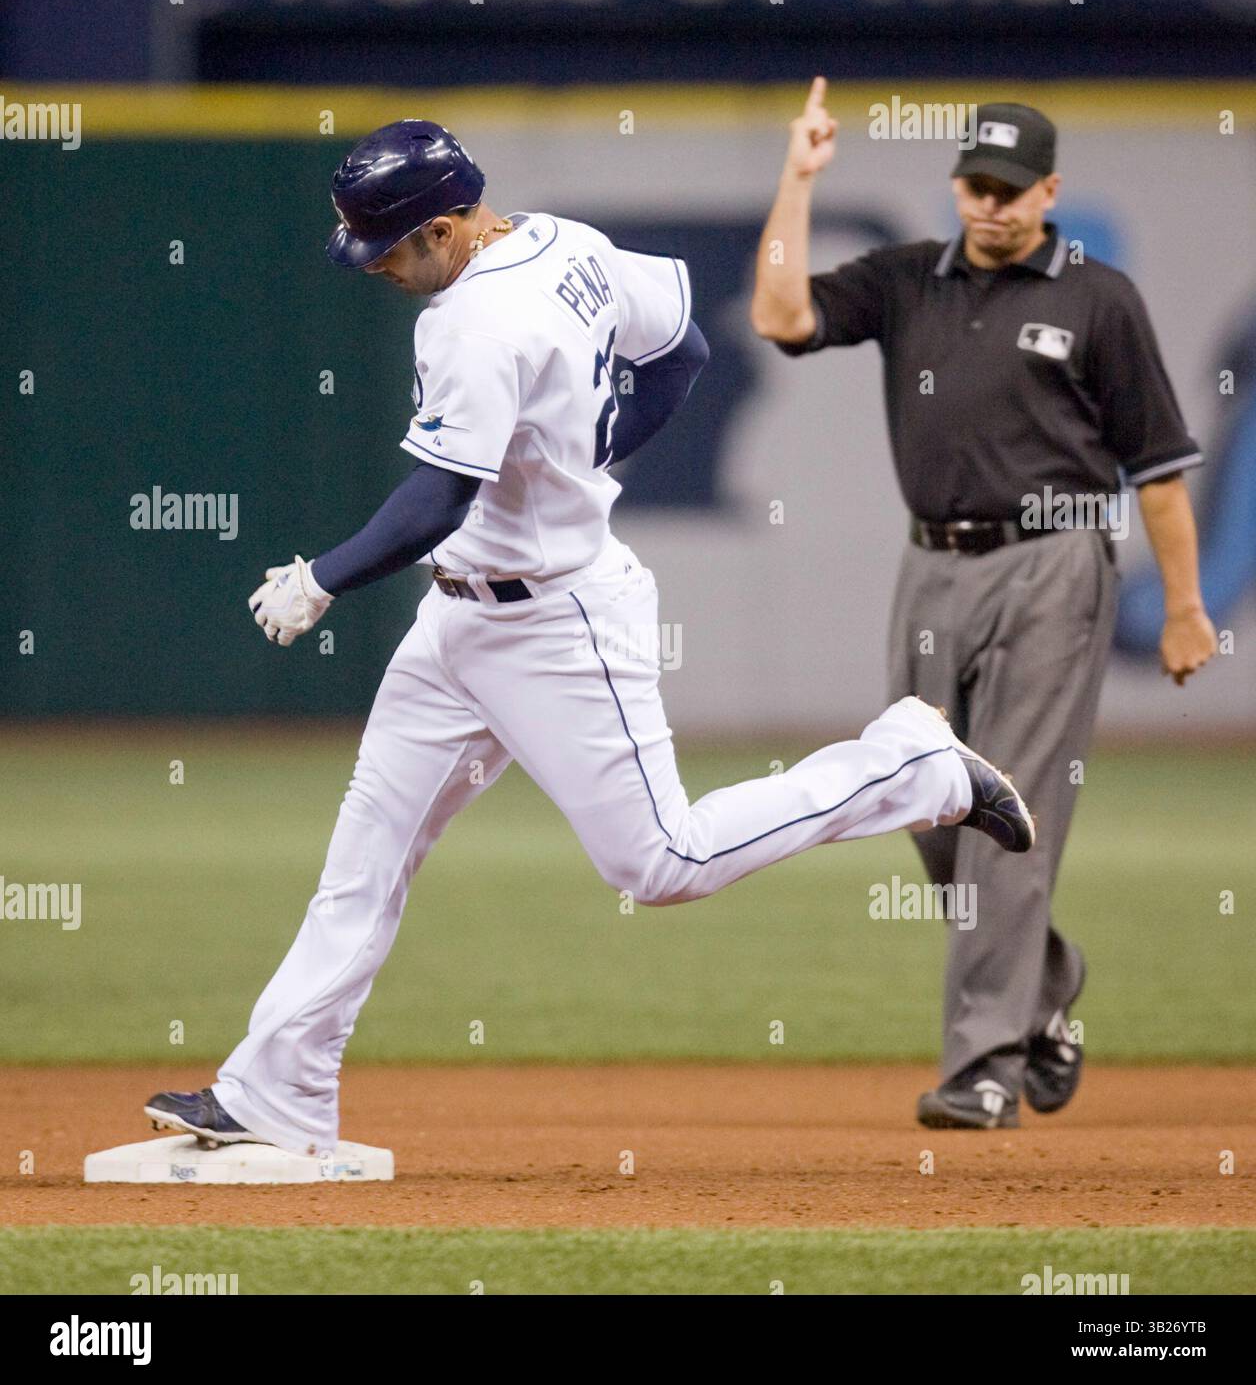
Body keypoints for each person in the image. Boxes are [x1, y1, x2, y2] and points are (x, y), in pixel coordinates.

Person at [145, 119, 1033, 1157]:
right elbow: (683, 347)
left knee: (662, 861)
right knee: (364, 857)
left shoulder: (472, 321)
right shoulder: (566, 243)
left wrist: (323, 578)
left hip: (557, 626)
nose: (374, 267)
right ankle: (276, 1092)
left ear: (441, 229)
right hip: (457, 622)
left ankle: (909, 765)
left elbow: (438, 494)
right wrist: (598, 461)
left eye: (384, 246)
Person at [751, 82, 1217, 1130]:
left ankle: (983, 1067)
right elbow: (780, 314)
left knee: (1013, 808)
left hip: (1051, 566)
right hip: (930, 568)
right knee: (927, 800)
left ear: (1049, 191)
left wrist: (1183, 605)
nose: (991, 204)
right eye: (975, 184)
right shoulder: (907, 279)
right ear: (953, 184)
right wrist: (798, 176)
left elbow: (1158, 470)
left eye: (1012, 189)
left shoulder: (1100, 300)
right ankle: (1046, 985)